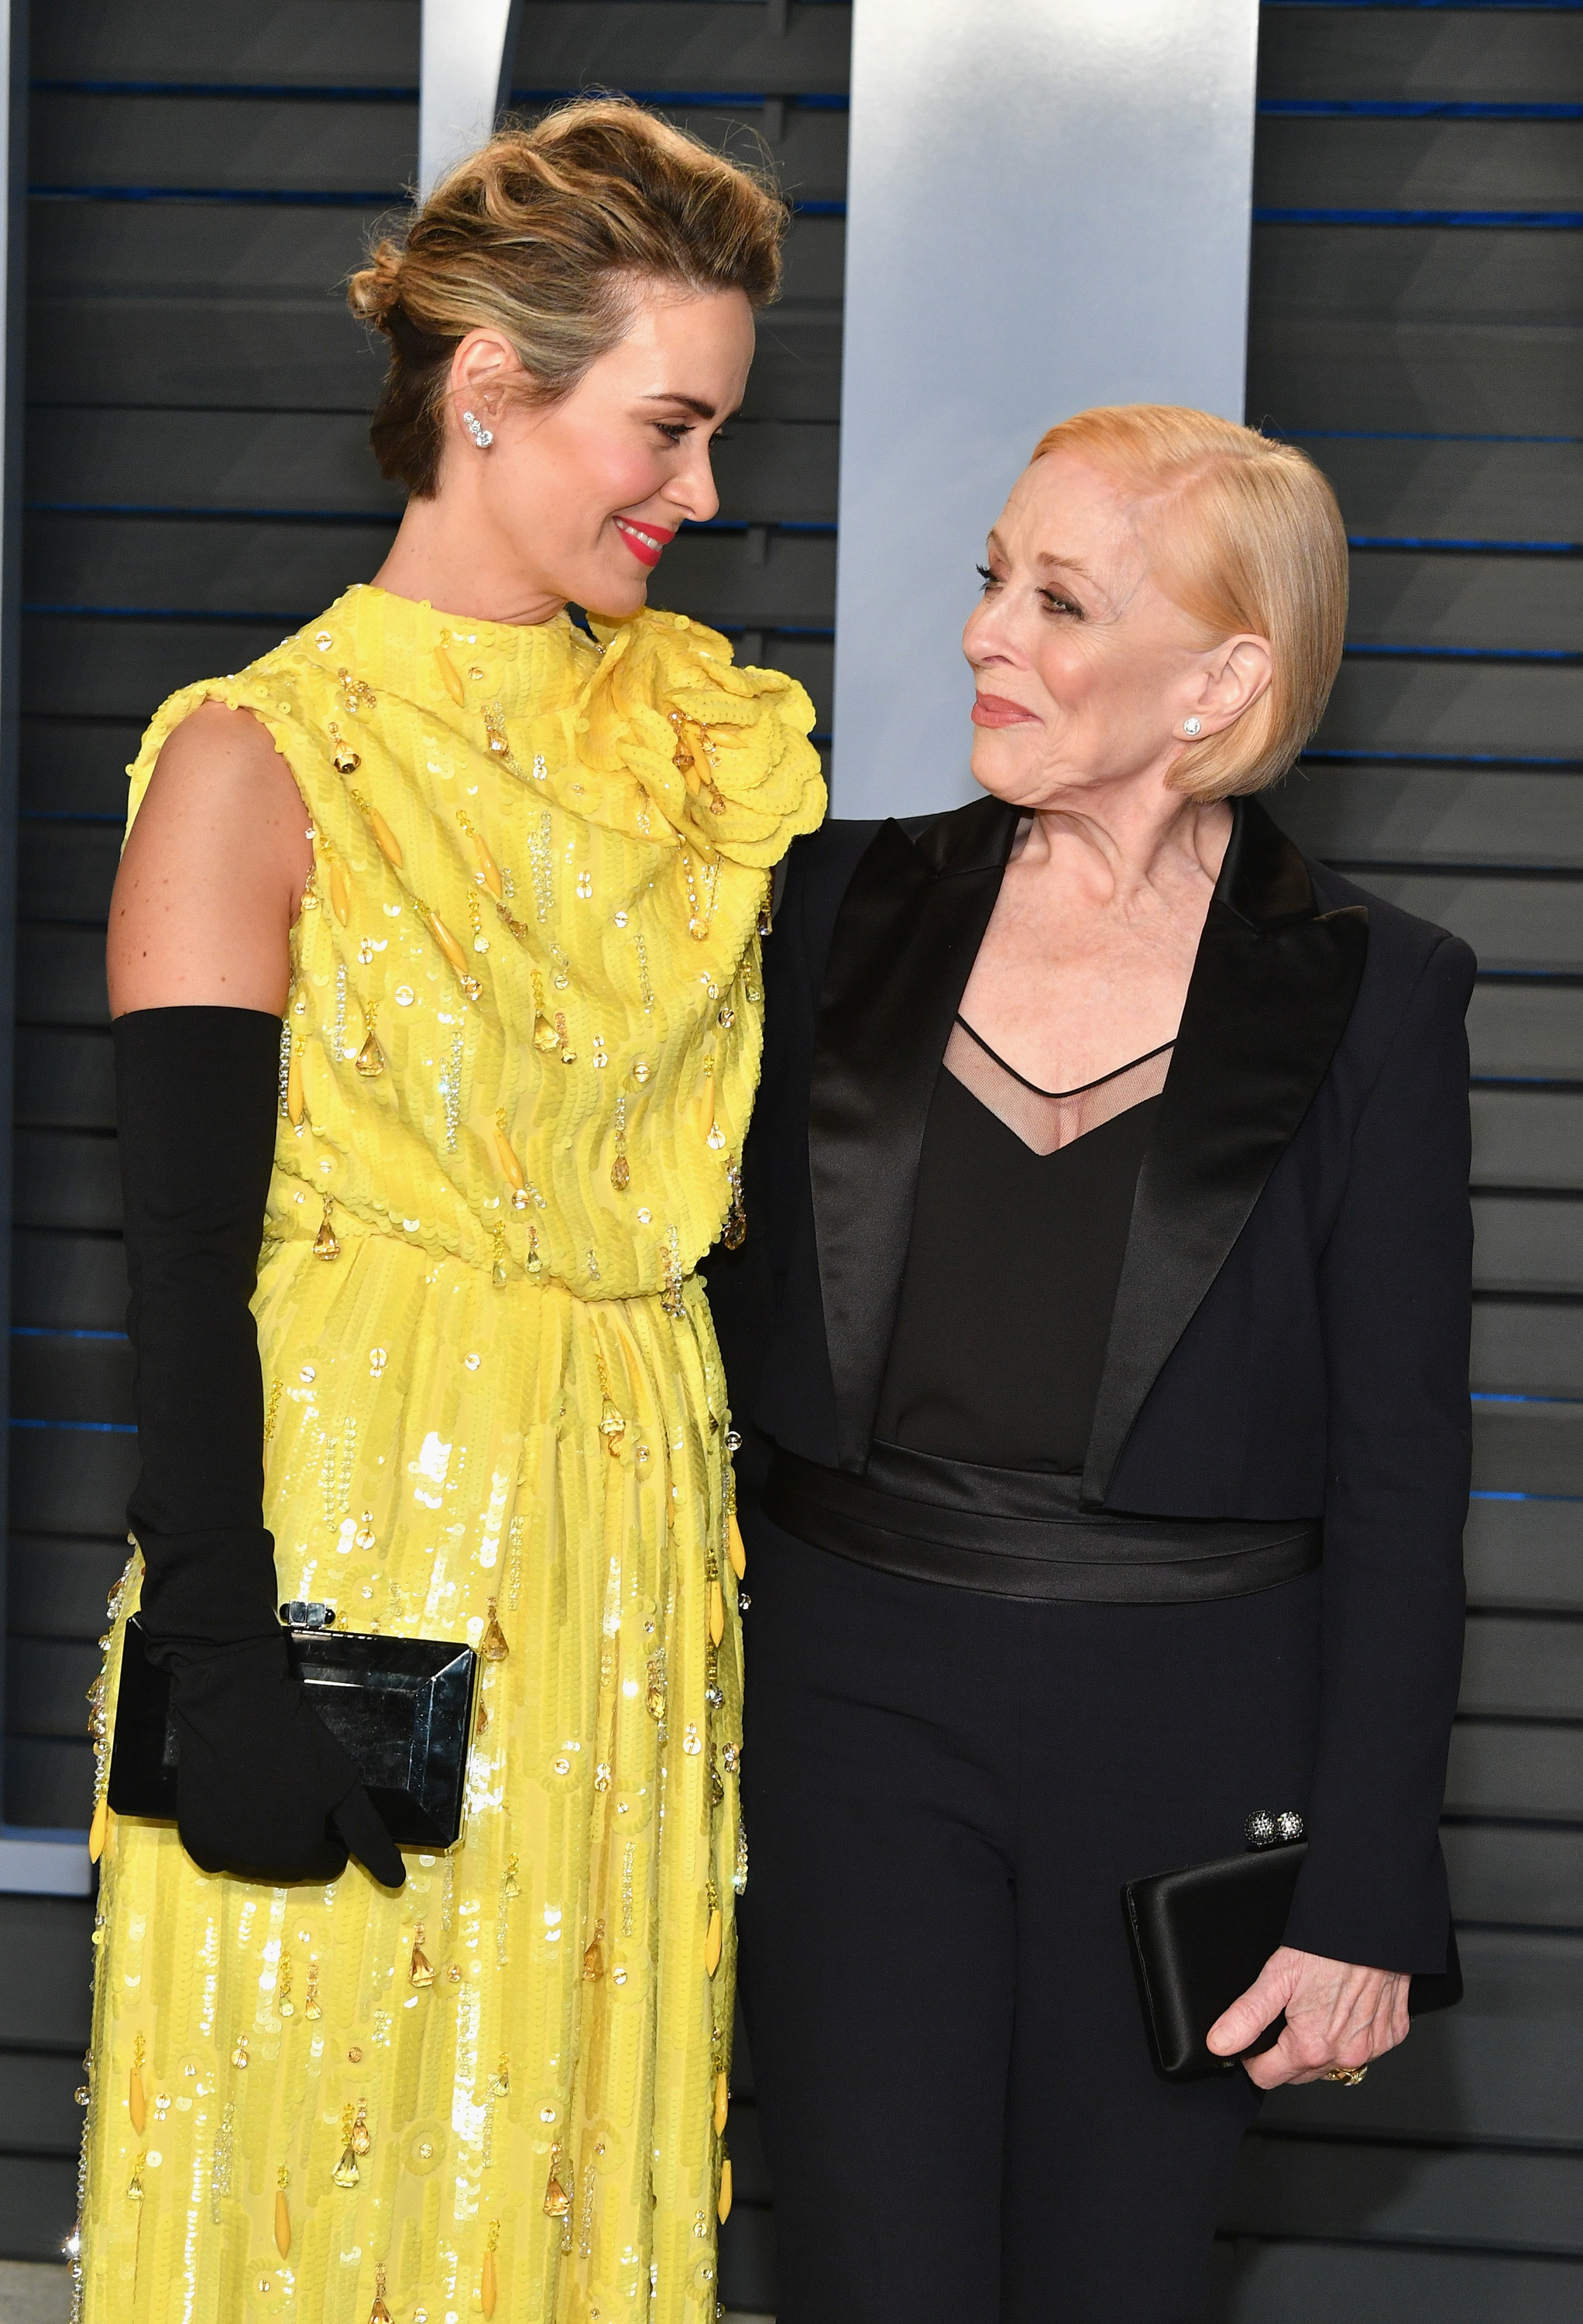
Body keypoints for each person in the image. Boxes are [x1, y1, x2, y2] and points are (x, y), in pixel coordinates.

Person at [77, 101, 824, 2324]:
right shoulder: (256, 753)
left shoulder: (692, 731)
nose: (697, 494)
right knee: (308, 2163)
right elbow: (179, 1254)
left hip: (623, 1562)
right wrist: (218, 1653)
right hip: (341, 1562)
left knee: (572, 2179)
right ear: (489, 391)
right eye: (664, 429)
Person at [708, 405, 1472, 2322]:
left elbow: (1400, 1471)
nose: (981, 633)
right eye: (988, 578)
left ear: (1223, 675)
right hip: (850, 1703)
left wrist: (1367, 1891)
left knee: (1110, 2287)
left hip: (1192, 1739)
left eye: (1057, 600)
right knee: (872, 2281)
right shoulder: (822, 910)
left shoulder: (1377, 987)